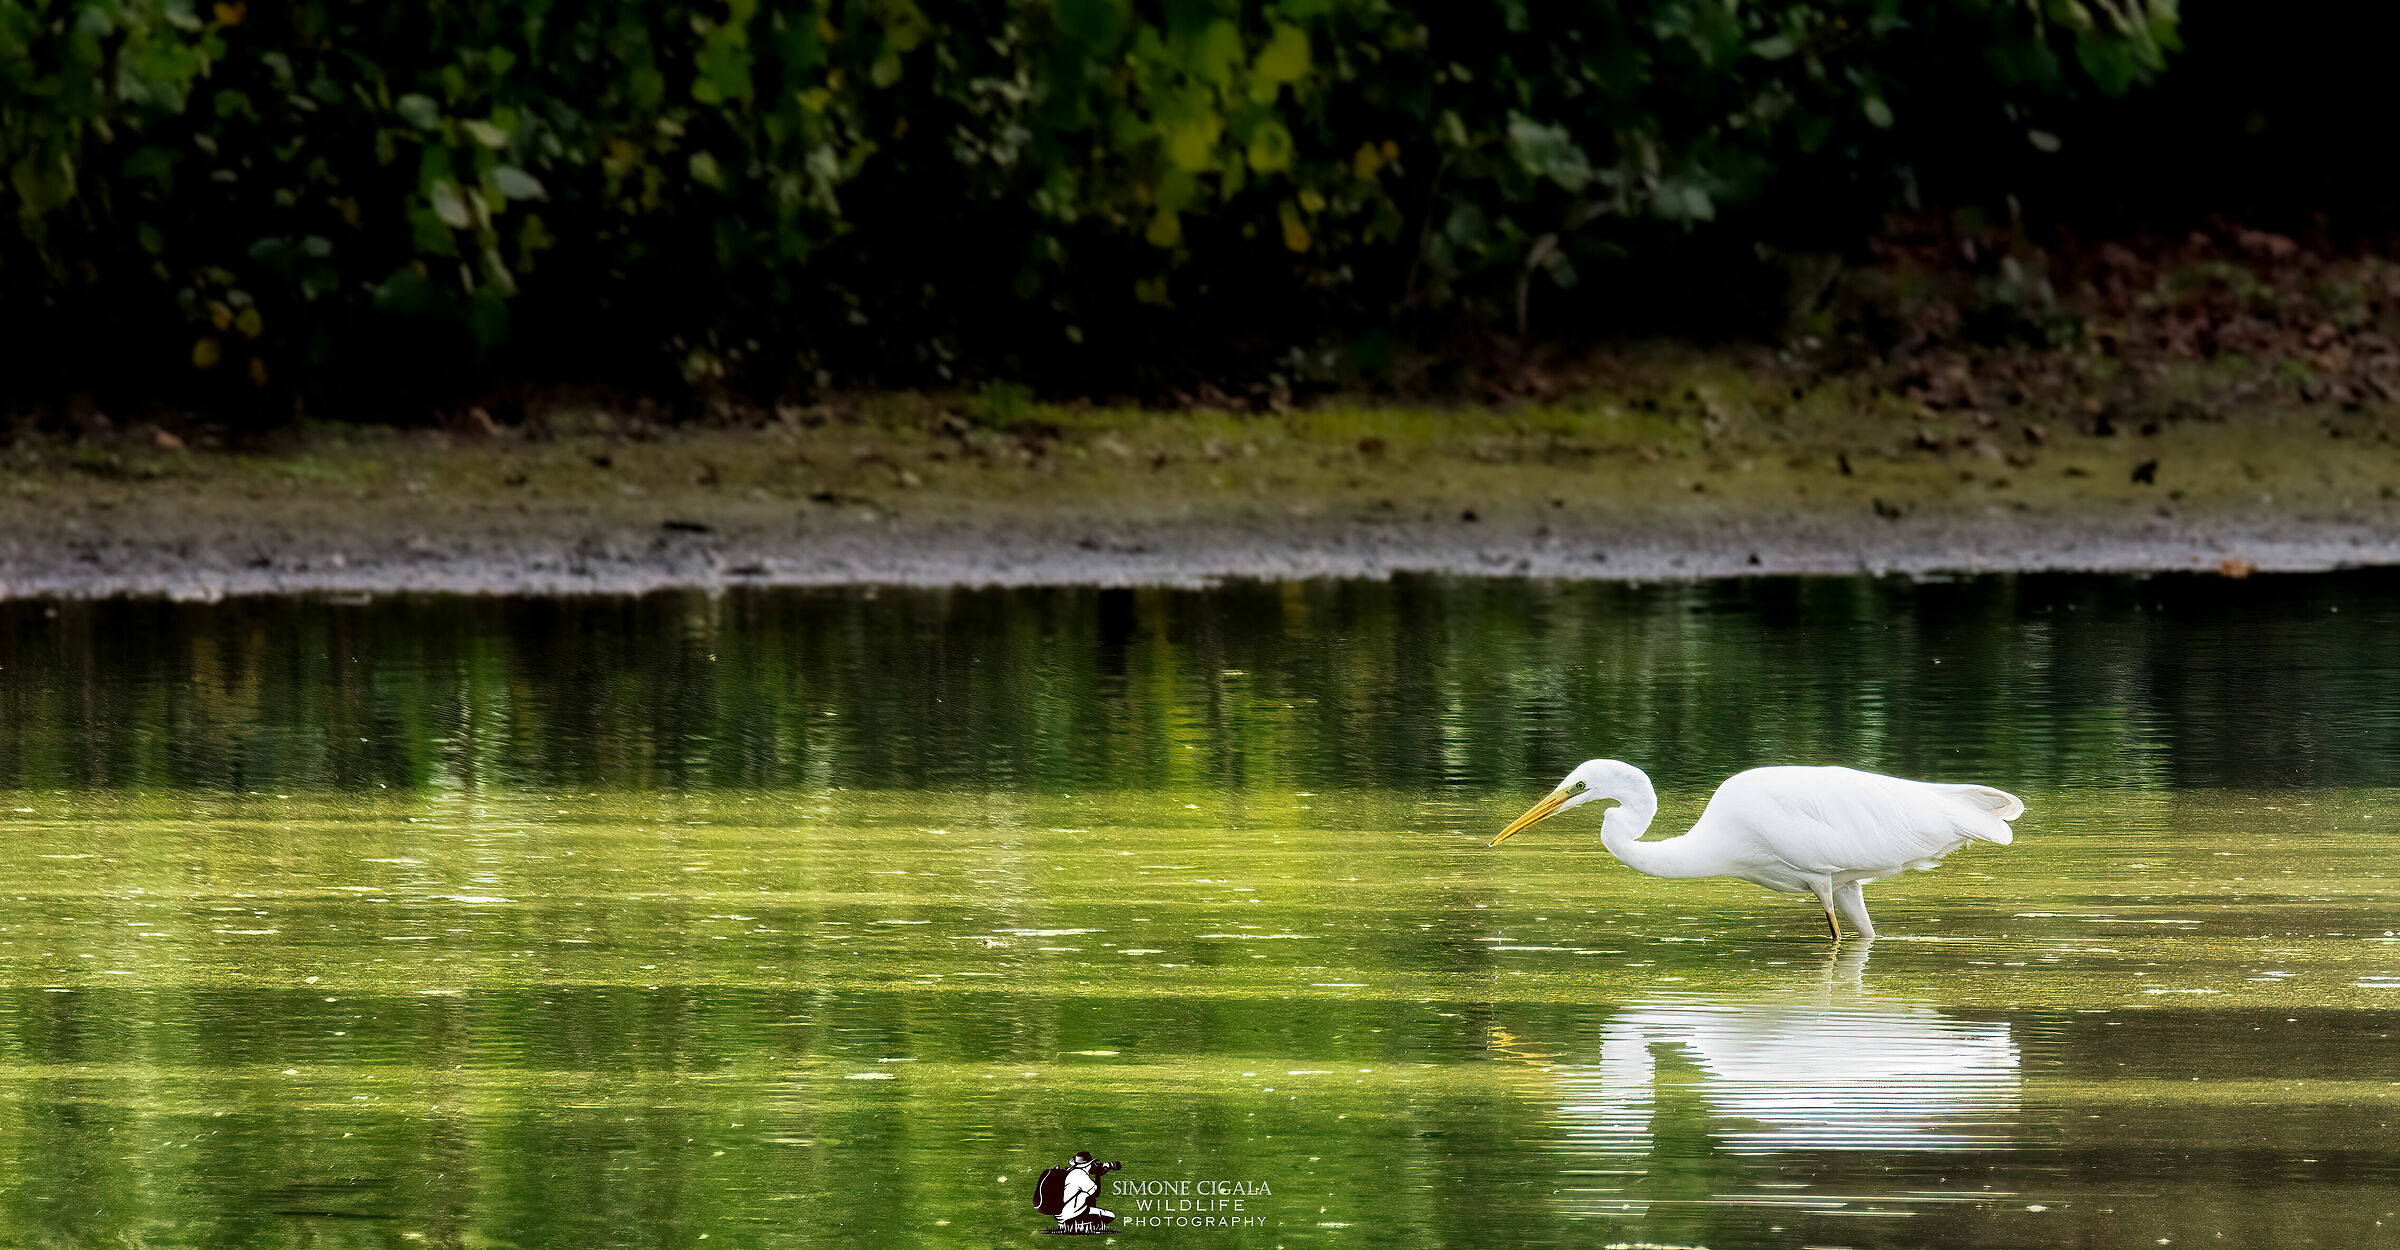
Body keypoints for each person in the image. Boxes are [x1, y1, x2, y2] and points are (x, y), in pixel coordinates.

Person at [1056, 1152, 1118, 1232]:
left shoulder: (1069, 1172)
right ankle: (1074, 1225)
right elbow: (1096, 1194)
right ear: (1088, 1164)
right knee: (1111, 1215)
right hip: (1072, 1215)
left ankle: (1068, 1224)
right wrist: (1098, 1174)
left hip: (1061, 1215)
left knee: (1087, 1197)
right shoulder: (1080, 1174)